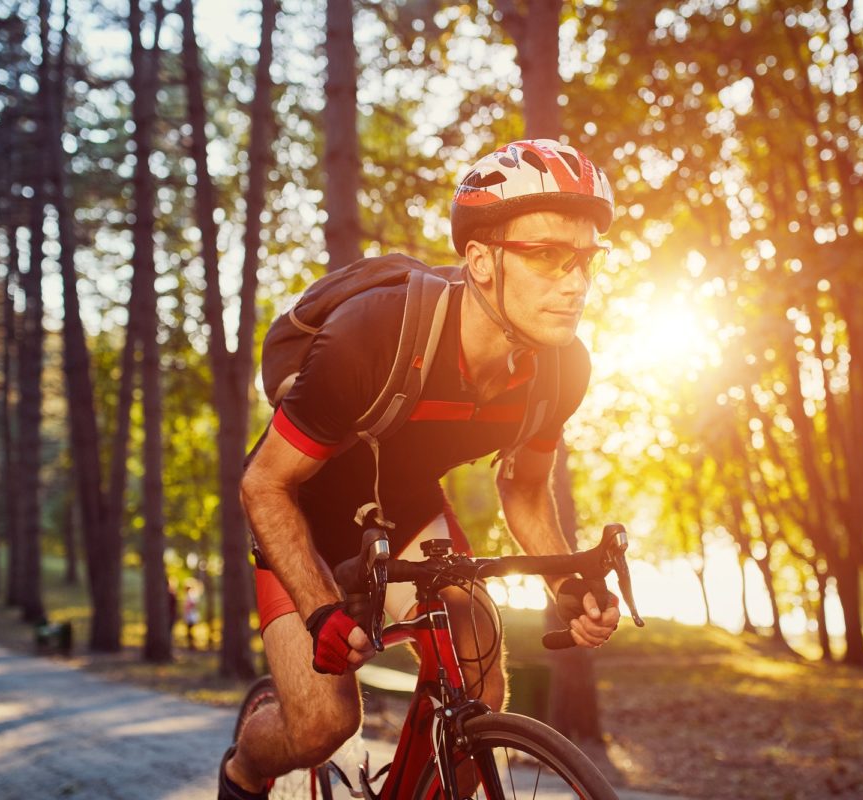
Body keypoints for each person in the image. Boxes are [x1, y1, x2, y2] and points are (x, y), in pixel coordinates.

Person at [220, 138, 623, 800]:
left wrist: (569, 585)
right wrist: (321, 611)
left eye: (584, 259)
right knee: (323, 723)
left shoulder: (562, 369)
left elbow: (523, 491)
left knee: (480, 678)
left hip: (403, 509)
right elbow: (264, 484)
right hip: (303, 514)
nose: (574, 282)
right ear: (480, 261)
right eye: (548, 255)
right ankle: (244, 769)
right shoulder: (374, 336)